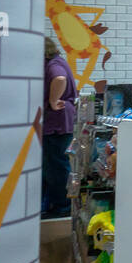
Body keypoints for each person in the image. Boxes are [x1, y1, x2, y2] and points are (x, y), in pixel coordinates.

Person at [42, 37, 77, 219]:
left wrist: (53, 101)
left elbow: (60, 78)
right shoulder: (58, 61)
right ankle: (59, 203)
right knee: (57, 163)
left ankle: (62, 206)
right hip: (61, 120)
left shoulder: (53, 64)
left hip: (56, 121)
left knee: (55, 165)